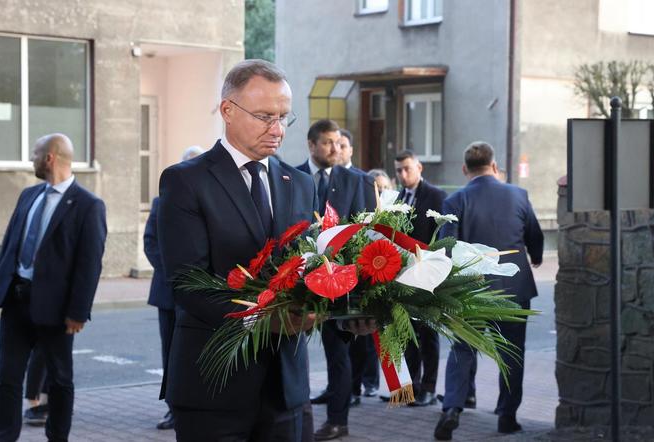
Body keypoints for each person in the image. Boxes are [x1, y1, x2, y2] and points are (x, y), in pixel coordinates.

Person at [157, 59, 318, 442]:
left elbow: (313, 269)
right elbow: (187, 283)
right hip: (214, 387)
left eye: (283, 117)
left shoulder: (299, 182)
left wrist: (348, 313)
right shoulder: (185, 181)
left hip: (286, 388)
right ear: (228, 111)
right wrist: (261, 320)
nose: (277, 129)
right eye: (264, 116)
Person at [0, 133, 107, 442]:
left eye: (34, 153)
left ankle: (57, 436)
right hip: (16, 302)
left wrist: (78, 313)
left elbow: (89, 265)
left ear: (49, 158)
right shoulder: (28, 196)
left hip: (57, 311)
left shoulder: (88, 205)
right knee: (6, 377)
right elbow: (9, 249)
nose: (30, 159)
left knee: (60, 380)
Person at [434, 141, 543, 441]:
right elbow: (534, 233)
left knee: (462, 350)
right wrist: (536, 255)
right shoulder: (518, 194)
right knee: (512, 354)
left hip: (471, 290)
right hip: (512, 289)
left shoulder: (455, 200)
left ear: (465, 169)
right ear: (494, 166)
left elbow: (447, 248)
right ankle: (507, 417)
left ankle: (452, 408)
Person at [297, 119, 375, 441]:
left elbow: (368, 233)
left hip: (340, 282)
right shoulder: (292, 176)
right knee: (289, 350)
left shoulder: (357, 180)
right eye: (328, 142)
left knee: (338, 354)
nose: (335, 148)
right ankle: (295, 417)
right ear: (312, 145)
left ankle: (338, 421)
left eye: (338, 142)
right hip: (299, 279)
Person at [144, 145, 204, 431]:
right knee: (171, 352)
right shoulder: (161, 202)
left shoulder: (210, 201)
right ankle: (173, 408)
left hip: (204, 293)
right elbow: (151, 242)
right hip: (168, 292)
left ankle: (200, 404)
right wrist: (175, 273)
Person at [393, 150, 446, 407]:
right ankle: (412, 386)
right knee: (408, 333)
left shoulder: (435, 195)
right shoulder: (400, 197)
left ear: (419, 167)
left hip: (428, 274)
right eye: (399, 171)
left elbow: (442, 234)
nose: (403, 175)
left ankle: (429, 387)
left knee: (428, 334)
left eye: (407, 169)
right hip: (404, 275)